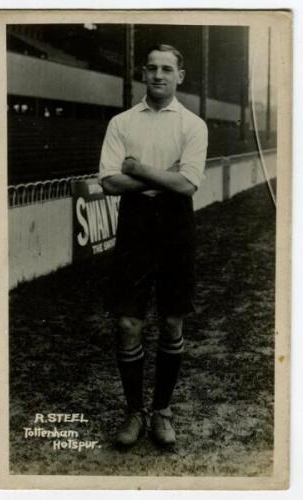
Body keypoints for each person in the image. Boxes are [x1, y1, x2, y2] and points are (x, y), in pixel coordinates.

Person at [98, 44, 208, 447]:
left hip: (176, 225)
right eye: (151, 68)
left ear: (180, 76)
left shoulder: (194, 125)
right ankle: (134, 412)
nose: (158, 75)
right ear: (142, 74)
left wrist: (139, 169)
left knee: (173, 321)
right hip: (135, 224)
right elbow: (110, 183)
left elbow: (188, 184)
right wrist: (166, 175)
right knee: (128, 322)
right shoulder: (122, 122)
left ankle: (162, 410)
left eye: (167, 69)